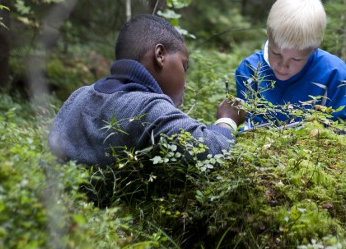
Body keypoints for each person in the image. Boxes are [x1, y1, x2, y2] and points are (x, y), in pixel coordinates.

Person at [48, 14, 247, 167]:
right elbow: (213, 149)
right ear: (160, 55)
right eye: (183, 66)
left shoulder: (79, 95)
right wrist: (227, 119)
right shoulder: (148, 108)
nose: (185, 83)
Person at [234, 0, 346, 137]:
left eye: (296, 59)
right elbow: (247, 128)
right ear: (268, 35)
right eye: (276, 53)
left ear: (314, 48)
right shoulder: (250, 70)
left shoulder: (337, 77)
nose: (283, 65)